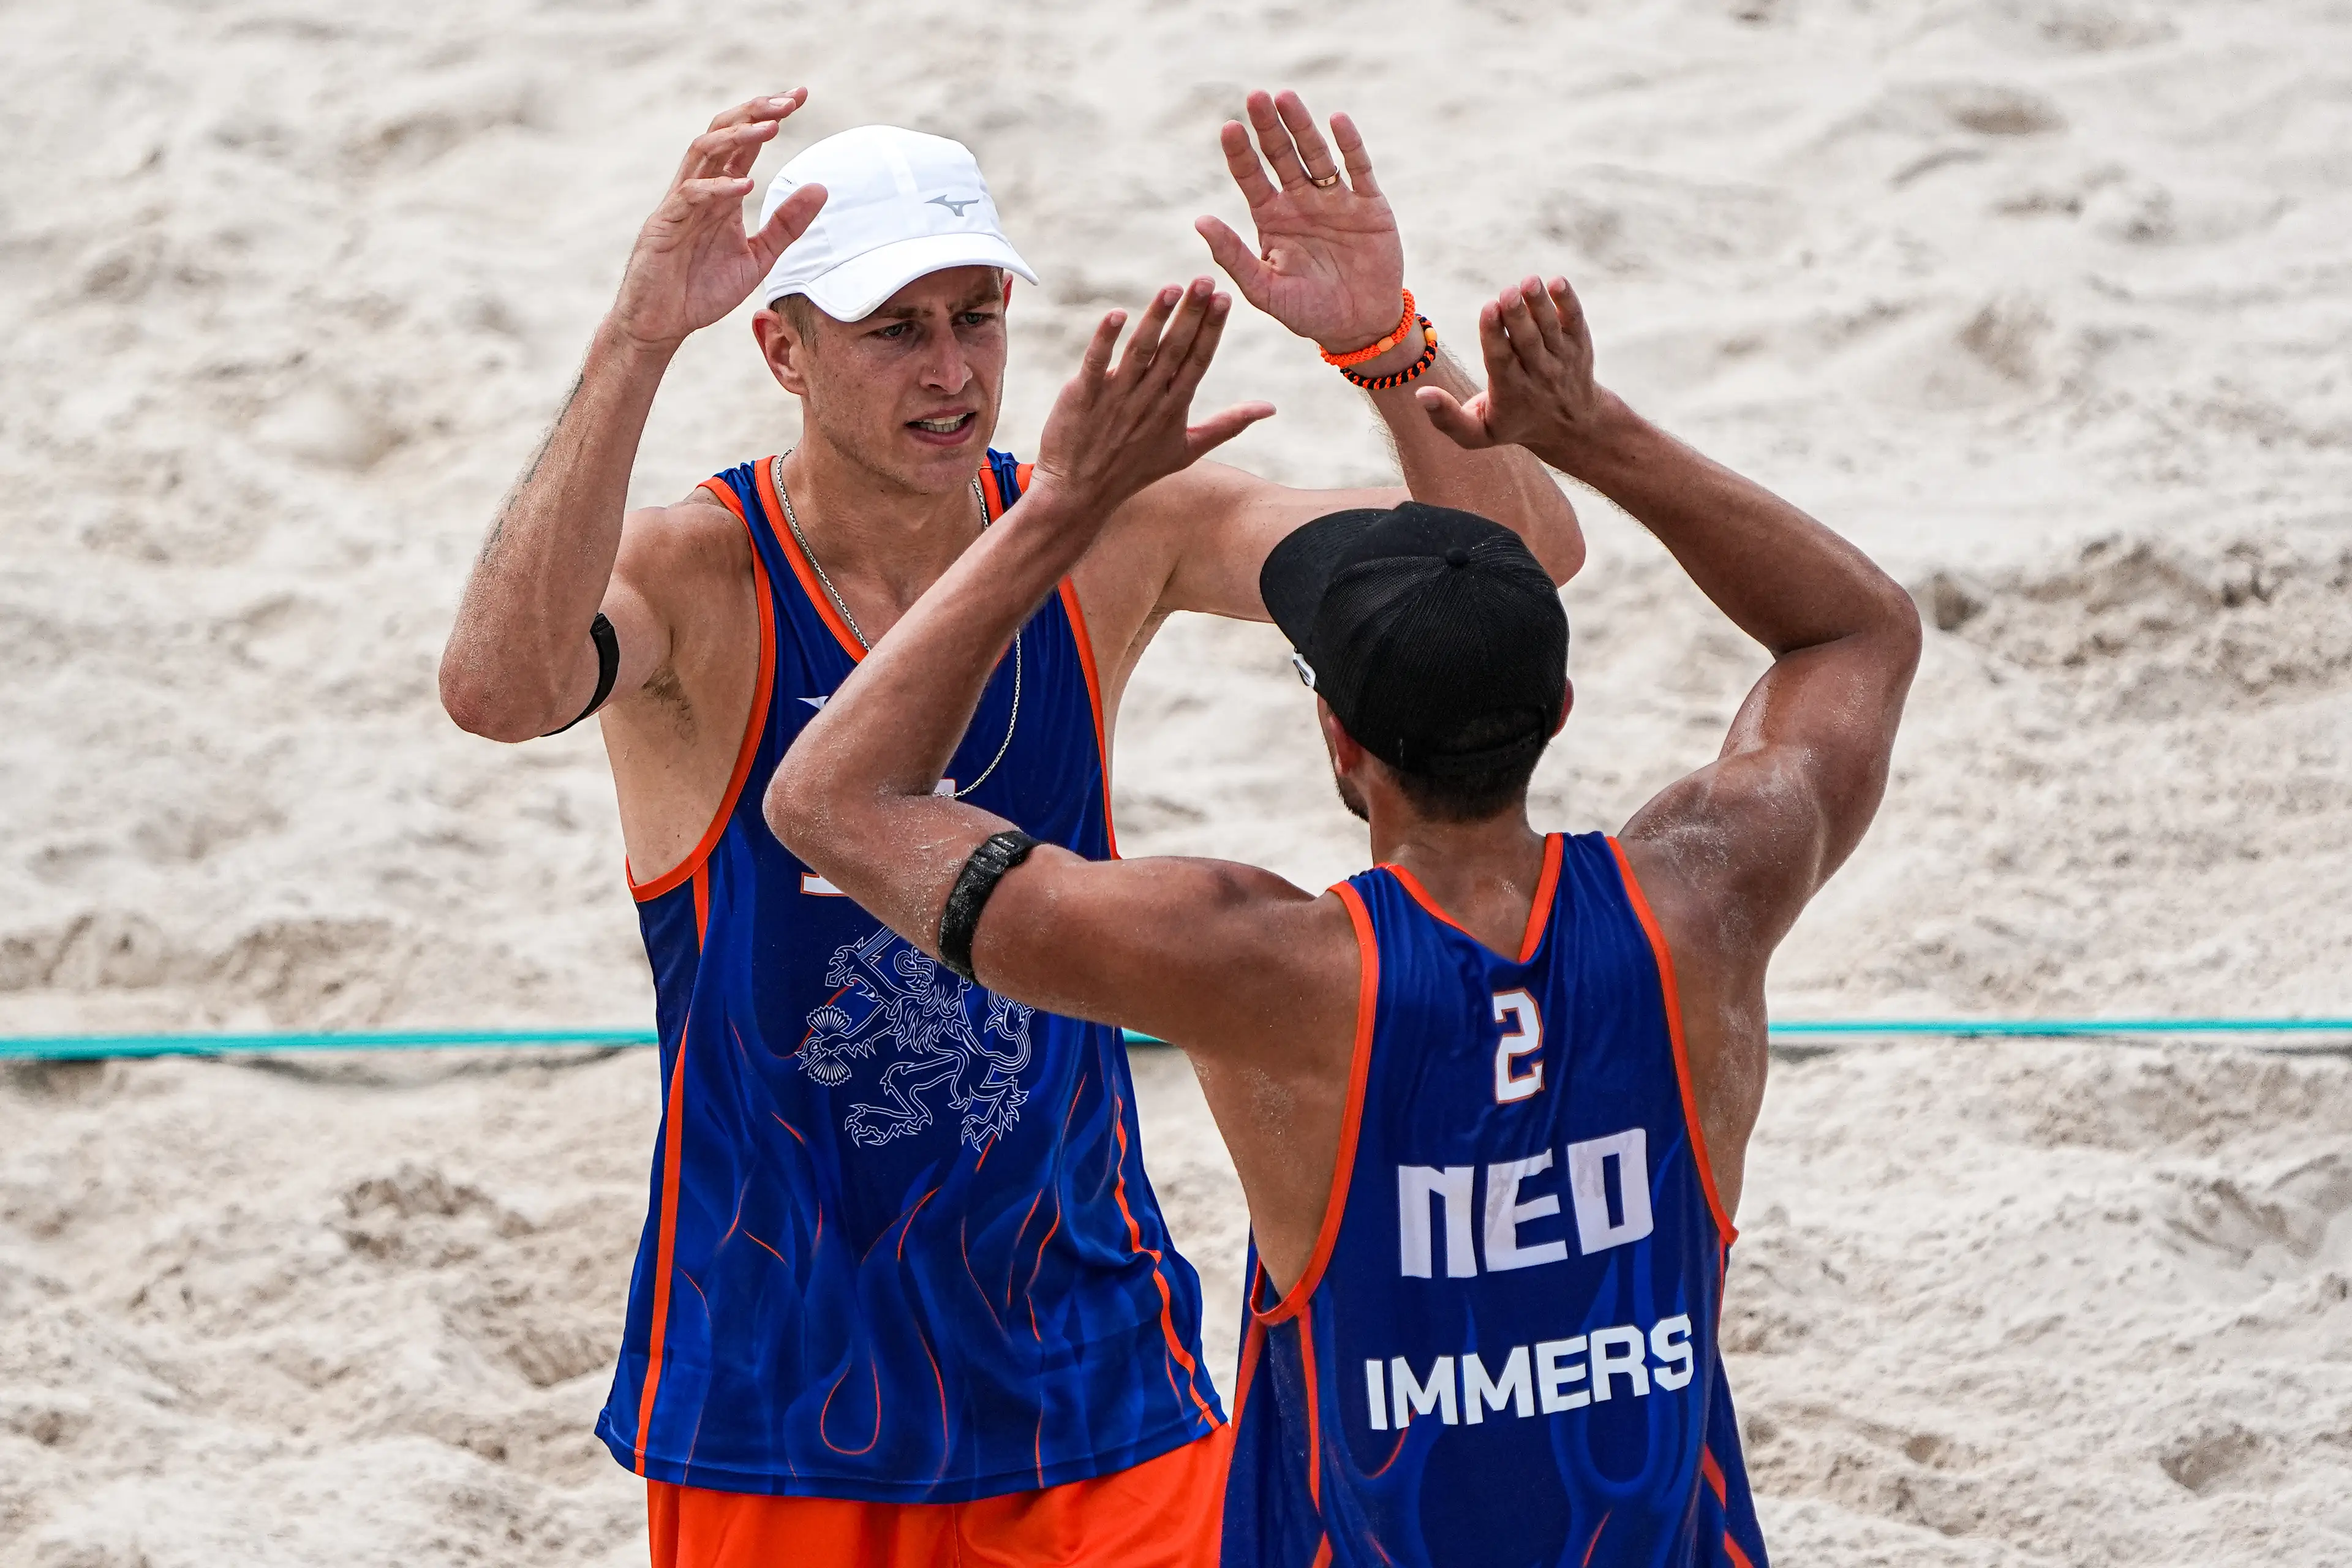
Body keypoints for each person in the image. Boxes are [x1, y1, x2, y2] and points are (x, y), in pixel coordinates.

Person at [436, 83, 1583, 1566]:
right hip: (783, 1375)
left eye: (977, 317)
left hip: (1086, 1347)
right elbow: (496, 689)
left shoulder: (1106, 528)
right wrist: (636, 336)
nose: (951, 368)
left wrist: (1382, 343)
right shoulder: (702, 576)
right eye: (895, 328)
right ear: (779, 347)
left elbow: (1508, 567)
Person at [763, 269, 1921, 1567]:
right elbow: (1856, 632)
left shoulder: (1259, 963)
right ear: (1559, 711)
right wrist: (1596, 434)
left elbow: (831, 799)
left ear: (1339, 740)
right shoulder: (1707, 897)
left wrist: (1062, 515)